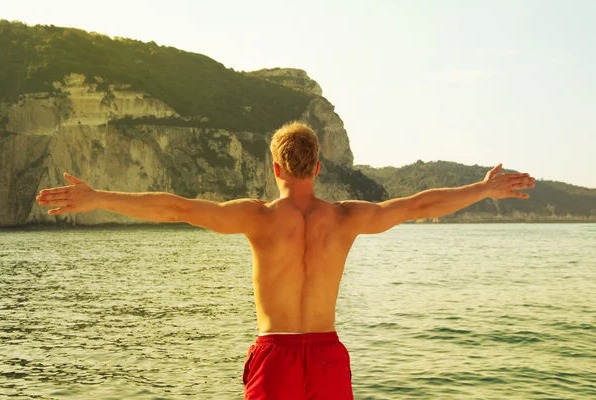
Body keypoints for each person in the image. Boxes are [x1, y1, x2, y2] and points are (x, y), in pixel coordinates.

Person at [36, 121, 535, 399]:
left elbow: (175, 207)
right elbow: (419, 206)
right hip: (326, 356)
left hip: (274, 356)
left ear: (275, 167)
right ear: (318, 167)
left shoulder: (255, 218)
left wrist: (99, 196)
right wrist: (483, 188)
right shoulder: (345, 218)